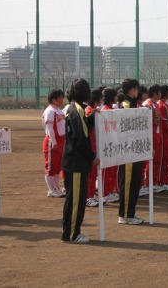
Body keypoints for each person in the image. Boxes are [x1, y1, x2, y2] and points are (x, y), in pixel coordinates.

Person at [61, 78, 99, 243]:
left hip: (75, 161)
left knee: (76, 198)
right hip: (76, 162)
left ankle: (72, 232)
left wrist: (91, 118)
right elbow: (80, 139)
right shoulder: (77, 109)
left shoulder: (77, 108)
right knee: (76, 200)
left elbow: (81, 131)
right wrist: (92, 157)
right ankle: (72, 234)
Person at [117, 79, 144, 225]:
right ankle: (125, 215)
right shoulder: (126, 104)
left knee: (135, 182)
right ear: (132, 89)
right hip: (128, 151)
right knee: (127, 182)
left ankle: (131, 213)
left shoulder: (134, 104)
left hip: (136, 149)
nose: (138, 91)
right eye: (137, 88)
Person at [42, 89, 66, 198]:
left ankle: (56, 188)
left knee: (57, 167)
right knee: (50, 166)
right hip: (53, 140)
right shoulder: (50, 111)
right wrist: (54, 142)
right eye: (60, 97)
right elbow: (50, 127)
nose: (62, 99)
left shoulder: (59, 111)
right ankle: (51, 190)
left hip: (61, 140)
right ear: (54, 99)